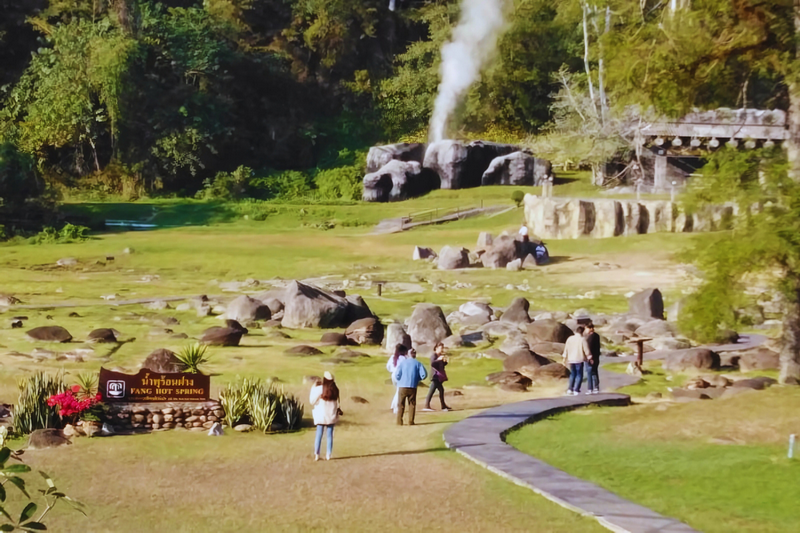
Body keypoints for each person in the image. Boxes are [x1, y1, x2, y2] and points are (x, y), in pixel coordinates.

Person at [309, 371, 340, 461]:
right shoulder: (335, 390)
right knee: (329, 435)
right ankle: (328, 455)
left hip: (321, 416)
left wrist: (314, 386)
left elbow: (312, 401)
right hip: (331, 416)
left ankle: (317, 454)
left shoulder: (320, 389)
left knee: (319, 434)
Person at [393, 348, 428, 426]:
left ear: (408, 354)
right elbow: (424, 375)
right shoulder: (418, 363)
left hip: (402, 386)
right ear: (415, 355)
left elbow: (397, 375)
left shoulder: (402, 363)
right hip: (412, 386)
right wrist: (417, 379)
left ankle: (399, 421)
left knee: (401, 404)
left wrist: (400, 380)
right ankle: (410, 421)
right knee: (412, 404)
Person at [562, 326, 590, 395]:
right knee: (579, 375)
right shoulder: (582, 339)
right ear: (582, 332)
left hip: (571, 359)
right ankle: (576, 390)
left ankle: (570, 389)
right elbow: (586, 350)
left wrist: (564, 358)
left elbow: (566, 349)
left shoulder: (570, 338)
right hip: (579, 359)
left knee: (572, 374)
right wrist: (589, 357)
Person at [423, 343, 451, 412]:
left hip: (439, 376)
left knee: (440, 390)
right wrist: (439, 359)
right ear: (436, 348)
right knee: (433, 391)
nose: (442, 349)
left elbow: (441, 366)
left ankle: (443, 405)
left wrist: (445, 362)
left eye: (442, 348)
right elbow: (433, 364)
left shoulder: (440, 355)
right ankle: (428, 406)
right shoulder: (434, 355)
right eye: (441, 348)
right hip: (434, 376)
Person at [386, 344, 408, 412]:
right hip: (400, 376)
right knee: (399, 392)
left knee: (398, 390)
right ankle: (396, 408)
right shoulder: (404, 358)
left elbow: (388, 367)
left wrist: (393, 370)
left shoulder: (393, 357)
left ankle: (393, 405)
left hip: (393, 375)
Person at [584, 323, 602, 394]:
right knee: (595, 372)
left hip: (591, 357)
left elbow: (590, 348)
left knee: (589, 373)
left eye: (586, 328)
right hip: (596, 357)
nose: (585, 330)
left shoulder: (591, 337)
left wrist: (589, 357)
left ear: (590, 328)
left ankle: (590, 388)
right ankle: (596, 387)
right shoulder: (597, 336)